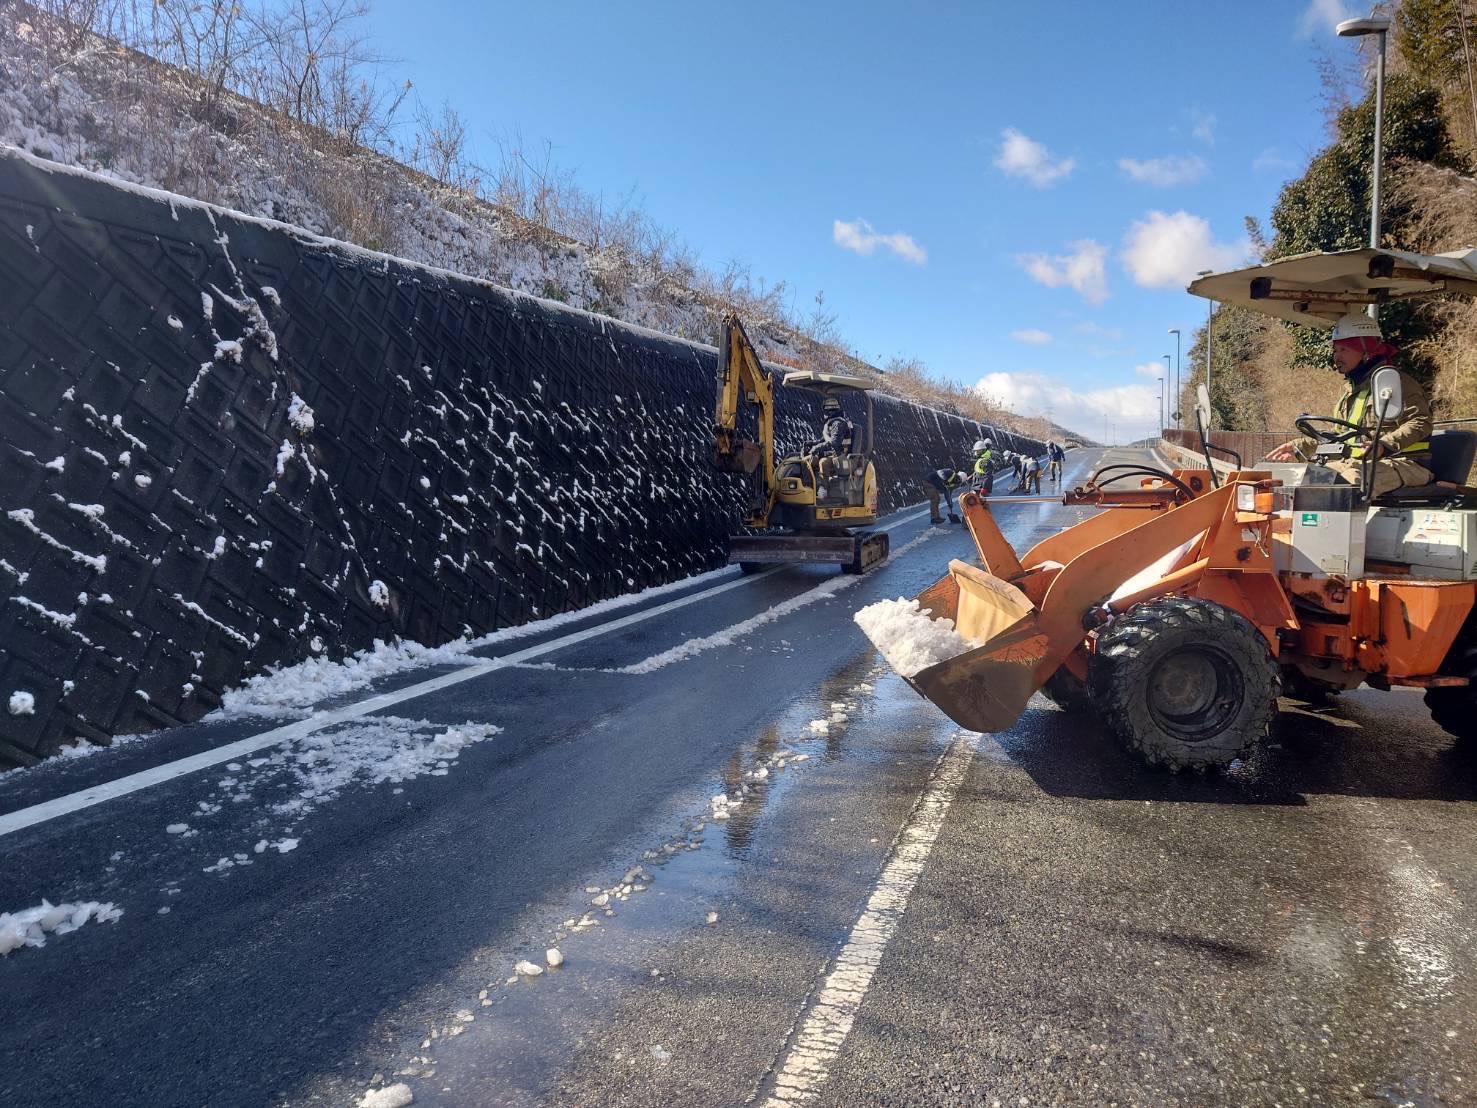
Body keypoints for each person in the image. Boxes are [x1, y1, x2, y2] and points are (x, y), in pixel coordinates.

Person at [1265, 312, 1432, 497]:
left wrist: (1383, 444)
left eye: (1344, 350)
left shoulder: (1395, 383)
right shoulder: (1349, 392)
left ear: (1367, 352)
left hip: (1403, 463)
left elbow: (1420, 422)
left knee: (1348, 482)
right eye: (1335, 350)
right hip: (1357, 463)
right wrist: (1300, 446)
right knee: (1308, 477)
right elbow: (1340, 437)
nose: (1336, 357)